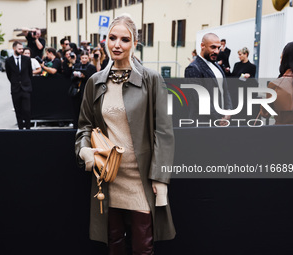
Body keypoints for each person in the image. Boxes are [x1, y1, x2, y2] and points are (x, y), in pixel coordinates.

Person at [75, 14, 175, 254]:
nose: (117, 44)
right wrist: (85, 152)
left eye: (124, 39)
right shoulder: (95, 82)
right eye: (112, 38)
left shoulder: (152, 79)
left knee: (143, 245)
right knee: (115, 242)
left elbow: (164, 132)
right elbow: (84, 125)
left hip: (141, 178)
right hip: (108, 176)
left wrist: (160, 178)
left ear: (134, 43)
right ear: (105, 41)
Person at [184, 33, 232, 126]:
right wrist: (219, 118)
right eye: (213, 47)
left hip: (221, 122)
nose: (217, 51)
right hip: (203, 124)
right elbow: (200, 99)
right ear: (202, 46)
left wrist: (229, 111)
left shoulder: (217, 66)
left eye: (218, 48)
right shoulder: (193, 68)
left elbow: (225, 91)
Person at [260, 41, 293, 124]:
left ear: (285, 60)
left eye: (281, 58)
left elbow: (265, 113)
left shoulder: (275, 85)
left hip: (282, 133)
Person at [5, 41, 33, 129]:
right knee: (18, 110)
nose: (21, 50)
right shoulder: (8, 61)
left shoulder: (27, 59)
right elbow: (9, 74)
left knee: (27, 110)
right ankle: (20, 129)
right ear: (14, 48)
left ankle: (28, 128)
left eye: (22, 49)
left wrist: (26, 83)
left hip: (26, 88)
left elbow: (30, 73)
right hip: (15, 89)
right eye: (19, 49)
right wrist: (15, 82)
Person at [228, 47, 258, 123]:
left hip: (245, 93)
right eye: (239, 55)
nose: (239, 56)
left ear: (246, 54)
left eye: (240, 54)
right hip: (235, 92)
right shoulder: (237, 65)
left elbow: (253, 81)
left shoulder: (252, 67)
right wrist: (227, 72)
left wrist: (249, 77)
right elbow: (233, 77)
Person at [70, 51, 96, 129]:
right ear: (80, 58)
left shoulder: (91, 67)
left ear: (88, 58)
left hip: (86, 91)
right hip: (77, 91)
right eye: (83, 58)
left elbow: (93, 79)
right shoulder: (77, 66)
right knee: (76, 109)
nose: (84, 59)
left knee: (86, 110)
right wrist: (76, 76)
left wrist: (84, 76)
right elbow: (71, 78)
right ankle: (76, 126)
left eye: (86, 58)